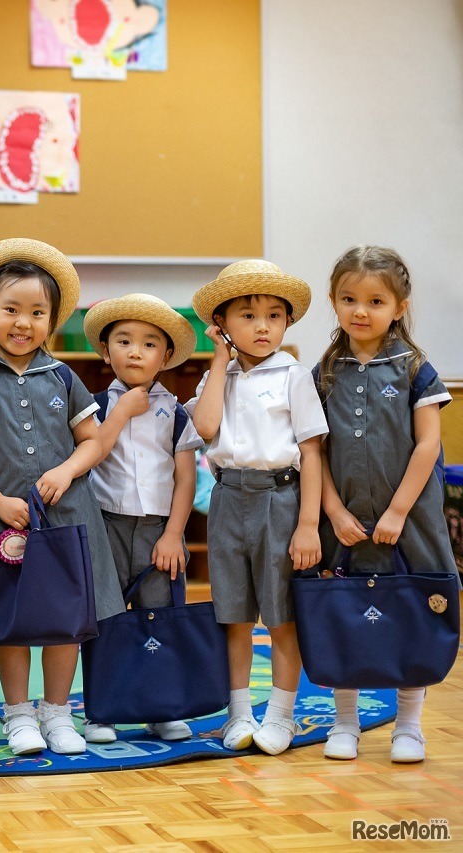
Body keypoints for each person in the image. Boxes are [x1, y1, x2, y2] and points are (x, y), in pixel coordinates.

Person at [0, 238, 125, 756]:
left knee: (65, 620)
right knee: (13, 621)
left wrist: (66, 471)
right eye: (11, 310)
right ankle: (18, 715)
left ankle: (58, 713)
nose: (23, 323)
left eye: (37, 312)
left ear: (52, 319)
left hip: (68, 517)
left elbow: (92, 442)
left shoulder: (65, 376)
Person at [314, 246, 457, 763]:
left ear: (398, 306)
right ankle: (345, 723)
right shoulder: (325, 372)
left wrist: (397, 511)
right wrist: (331, 510)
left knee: (412, 612)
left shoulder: (416, 370)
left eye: (375, 301)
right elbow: (315, 450)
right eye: (349, 299)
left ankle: (410, 726)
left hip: (410, 519)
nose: (360, 311)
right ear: (333, 302)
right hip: (343, 520)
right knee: (341, 614)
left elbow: (427, 446)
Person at [188, 260, 328, 756]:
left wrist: (308, 524)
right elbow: (205, 431)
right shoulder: (217, 377)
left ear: (287, 323)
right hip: (228, 500)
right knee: (234, 615)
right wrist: (218, 362)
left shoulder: (293, 375)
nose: (263, 326)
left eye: (274, 315)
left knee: (282, 613)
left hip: (281, 500)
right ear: (222, 325)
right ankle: (239, 713)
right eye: (247, 315)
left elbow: (312, 453)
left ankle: (282, 715)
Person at [82, 293, 204, 744]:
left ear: (166, 355)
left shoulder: (175, 413)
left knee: (161, 617)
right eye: (124, 341)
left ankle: (162, 706)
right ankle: (102, 711)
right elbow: (89, 458)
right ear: (105, 350)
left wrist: (174, 535)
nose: (136, 351)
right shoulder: (93, 406)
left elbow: (185, 480)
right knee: (105, 620)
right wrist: (118, 414)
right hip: (105, 527)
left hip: (159, 532)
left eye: (149, 344)